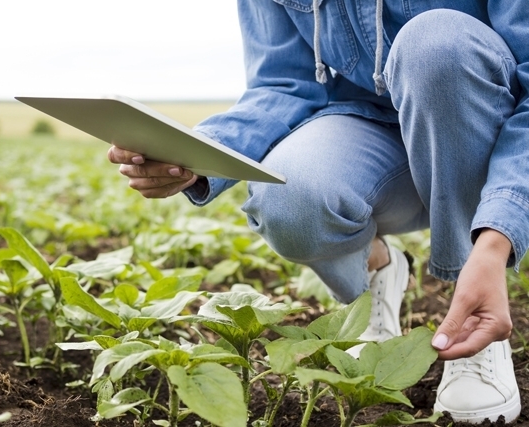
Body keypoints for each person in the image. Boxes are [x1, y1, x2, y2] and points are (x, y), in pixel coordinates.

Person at [108, 0, 527, 423]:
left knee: (435, 43)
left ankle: (476, 318)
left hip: (479, 134)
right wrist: (192, 156)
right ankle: (375, 270)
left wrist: (494, 243)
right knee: (289, 198)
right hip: (367, 133)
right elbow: (282, 82)